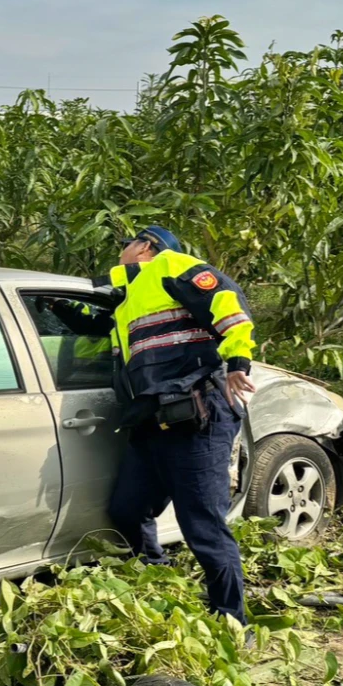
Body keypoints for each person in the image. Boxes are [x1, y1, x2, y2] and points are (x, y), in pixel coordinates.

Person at [100, 225, 256, 624]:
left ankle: (231, 620)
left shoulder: (172, 266)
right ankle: (157, 576)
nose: (121, 251)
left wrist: (238, 361)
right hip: (153, 419)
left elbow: (227, 302)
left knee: (202, 525)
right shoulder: (127, 299)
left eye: (126, 244)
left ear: (146, 246)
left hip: (196, 414)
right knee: (127, 510)